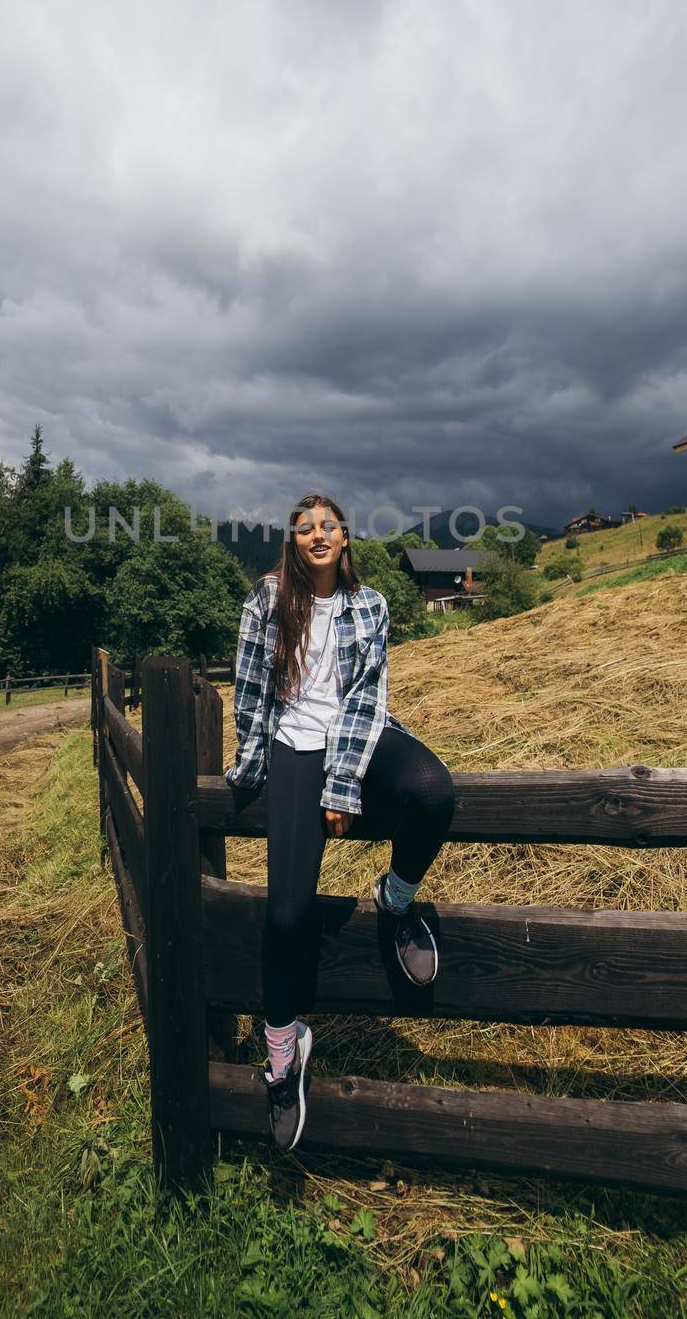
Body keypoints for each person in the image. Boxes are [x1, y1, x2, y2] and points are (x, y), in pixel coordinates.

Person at [224, 491, 455, 1150]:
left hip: (359, 736)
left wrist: (344, 783)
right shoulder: (266, 599)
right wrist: (251, 757)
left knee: (433, 791)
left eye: (328, 527)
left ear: (345, 538)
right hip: (292, 744)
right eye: (305, 529)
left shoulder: (370, 605)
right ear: (293, 541)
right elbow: (247, 689)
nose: (317, 536)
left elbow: (364, 700)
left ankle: (396, 899)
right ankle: (282, 1050)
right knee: (286, 915)